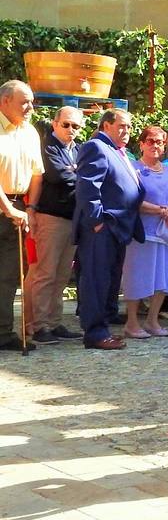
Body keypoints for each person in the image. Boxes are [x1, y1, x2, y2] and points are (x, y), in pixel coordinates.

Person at [73, 109, 146, 351]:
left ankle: (102, 326)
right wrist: (96, 221)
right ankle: (95, 333)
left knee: (109, 280)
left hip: (118, 227)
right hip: (102, 227)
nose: (127, 131)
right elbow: (88, 188)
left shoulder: (117, 151)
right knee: (96, 279)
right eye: (122, 126)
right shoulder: (96, 147)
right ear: (106, 125)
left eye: (129, 127)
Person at [24, 105, 83, 344]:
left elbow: (85, 177)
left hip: (71, 218)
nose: (71, 129)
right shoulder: (47, 147)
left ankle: (54, 321)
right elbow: (59, 176)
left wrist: (75, 171)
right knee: (45, 273)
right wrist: (78, 173)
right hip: (51, 217)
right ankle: (38, 326)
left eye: (76, 126)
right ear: (55, 124)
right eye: (66, 124)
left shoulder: (78, 150)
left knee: (61, 275)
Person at [120, 126, 168, 339]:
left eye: (159, 141)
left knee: (163, 278)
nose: (155, 145)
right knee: (139, 276)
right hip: (144, 232)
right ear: (141, 144)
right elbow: (131, 199)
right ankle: (131, 322)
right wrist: (159, 210)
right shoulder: (133, 170)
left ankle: (152, 320)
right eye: (150, 141)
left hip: (166, 232)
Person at [0, 81, 44, 352]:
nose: (30, 107)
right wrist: (8, 208)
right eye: (24, 102)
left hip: (17, 207)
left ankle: (3, 332)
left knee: (8, 275)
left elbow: (37, 173)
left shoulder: (30, 132)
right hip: (6, 205)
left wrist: (30, 208)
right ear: (5, 101)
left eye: (31, 102)